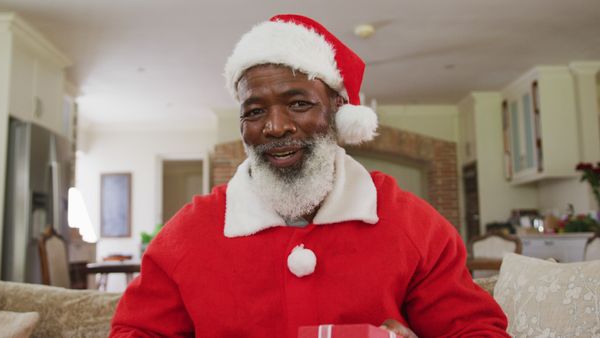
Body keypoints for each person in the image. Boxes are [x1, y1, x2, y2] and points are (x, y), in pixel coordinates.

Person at [110, 14, 509, 338]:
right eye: (254, 111)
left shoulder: (413, 225)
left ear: (337, 111)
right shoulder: (189, 234)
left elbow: (475, 330)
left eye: (298, 103)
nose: (275, 127)